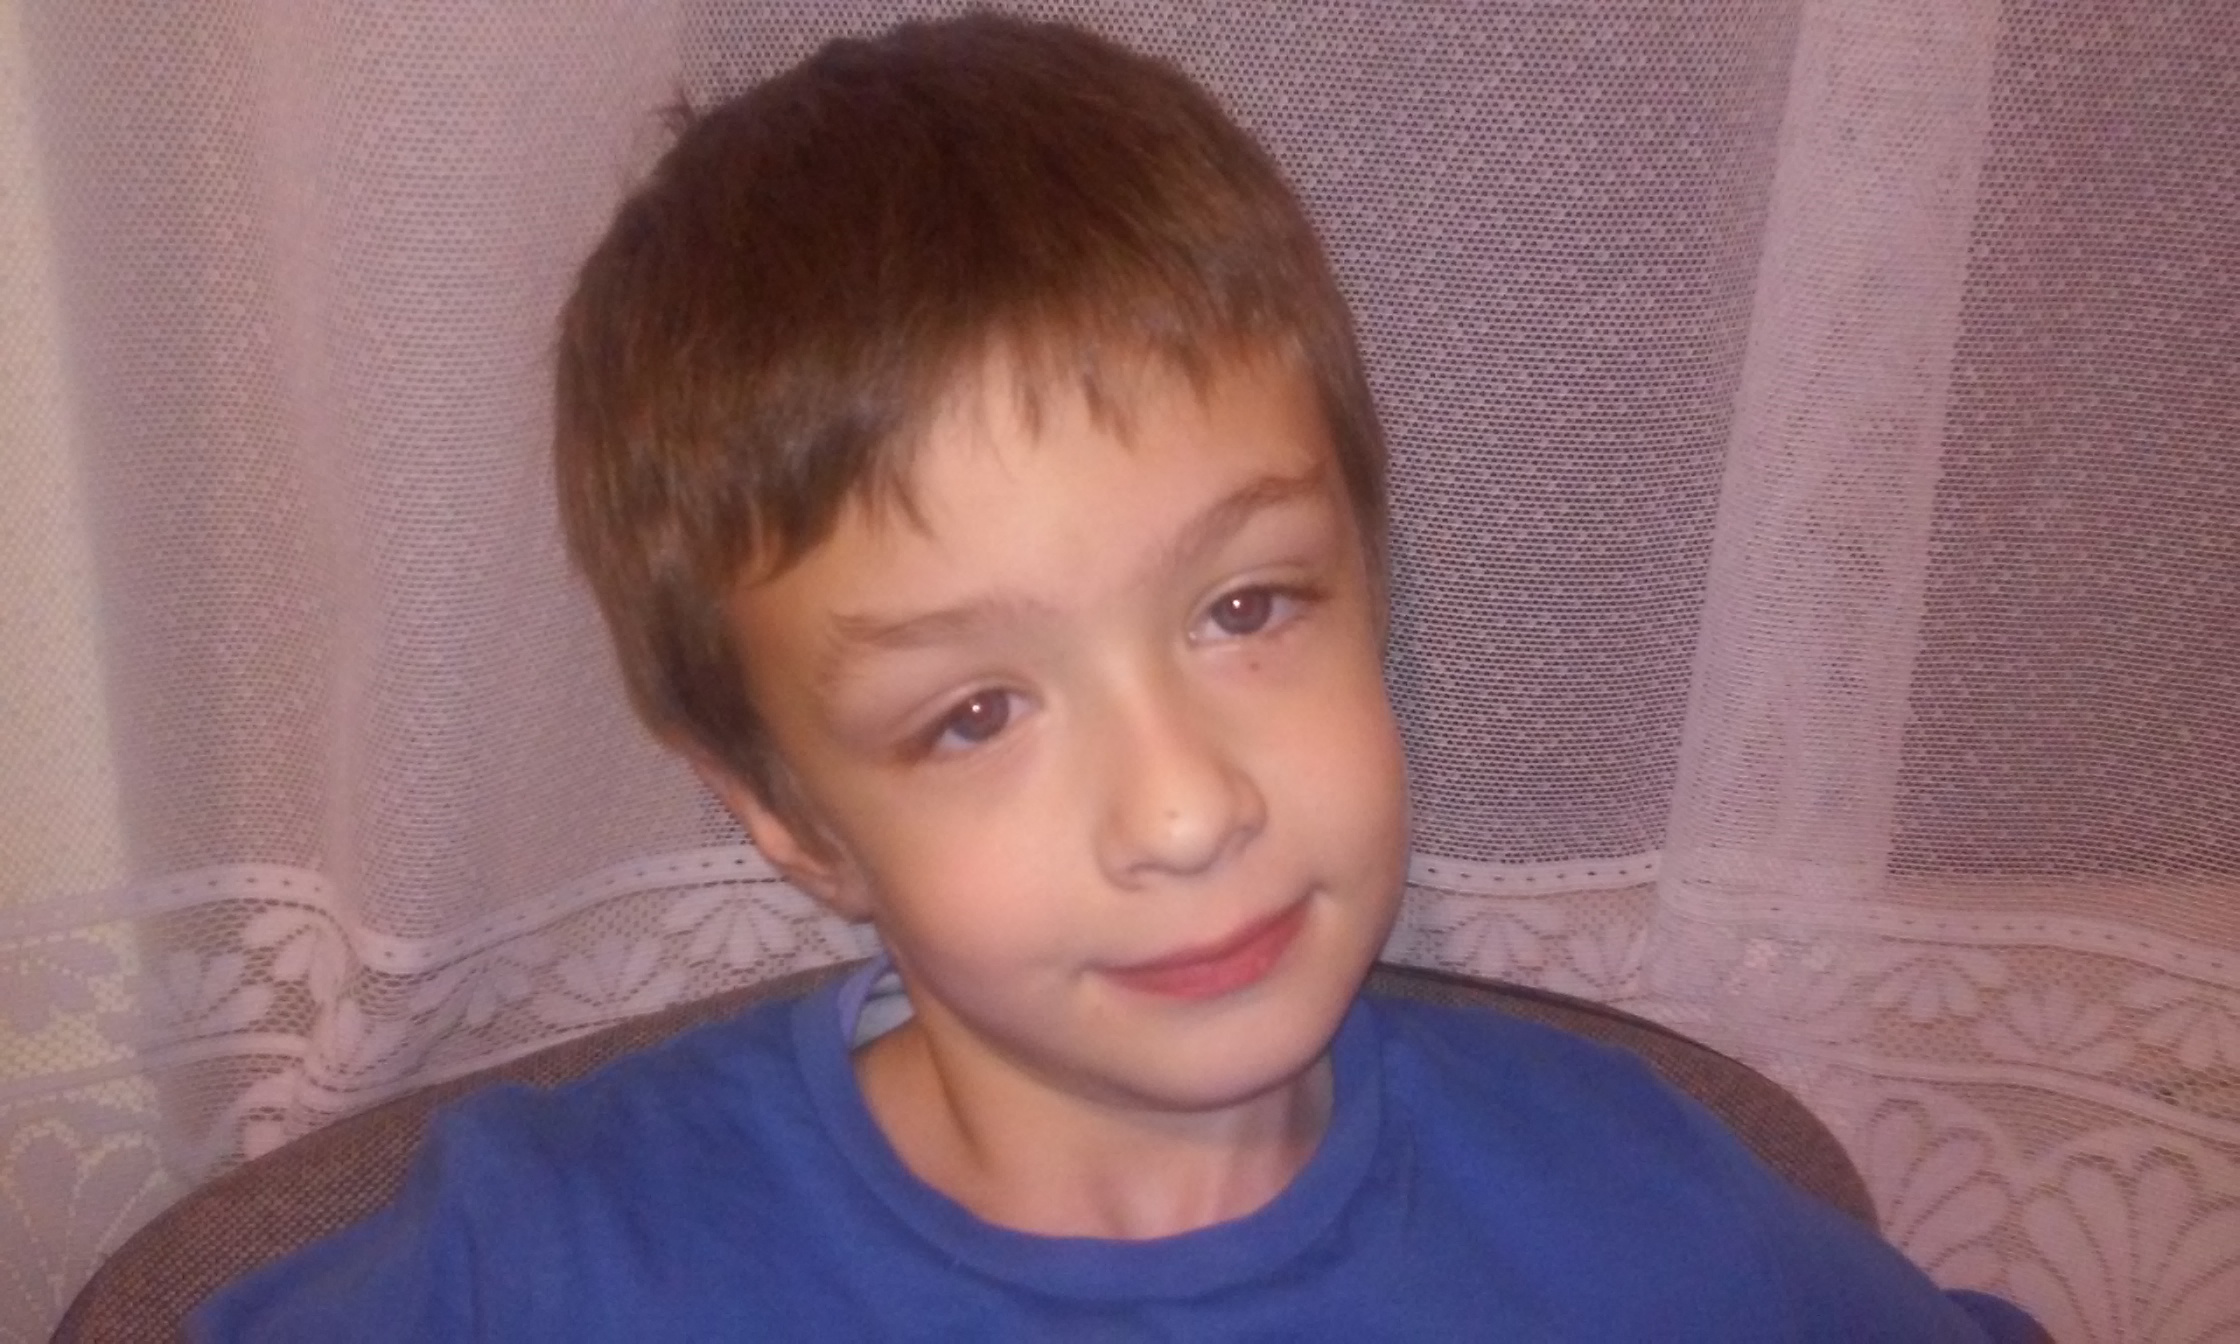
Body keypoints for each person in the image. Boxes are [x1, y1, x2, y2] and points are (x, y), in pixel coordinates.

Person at [192, 14, 2042, 1340]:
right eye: (974, 714)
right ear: (786, 811)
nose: (1183, 808)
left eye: (1245, 607)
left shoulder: (1649, 1214)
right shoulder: (544, 1265)